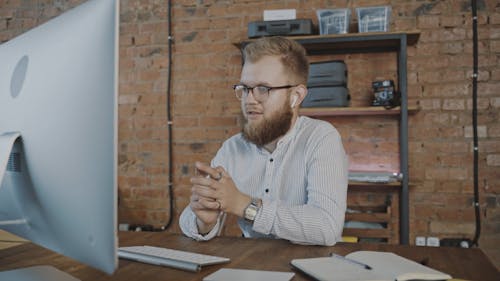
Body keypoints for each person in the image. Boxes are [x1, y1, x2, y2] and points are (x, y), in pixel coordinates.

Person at [179, 36, 348, 246]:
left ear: (296, 96)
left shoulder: (321, 138)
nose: (249, 100)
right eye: (245, 89)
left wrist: (243, 205)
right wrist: (203, 221)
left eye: (263, 89)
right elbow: (189, 221)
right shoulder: (232, 148)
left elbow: (326, 227)